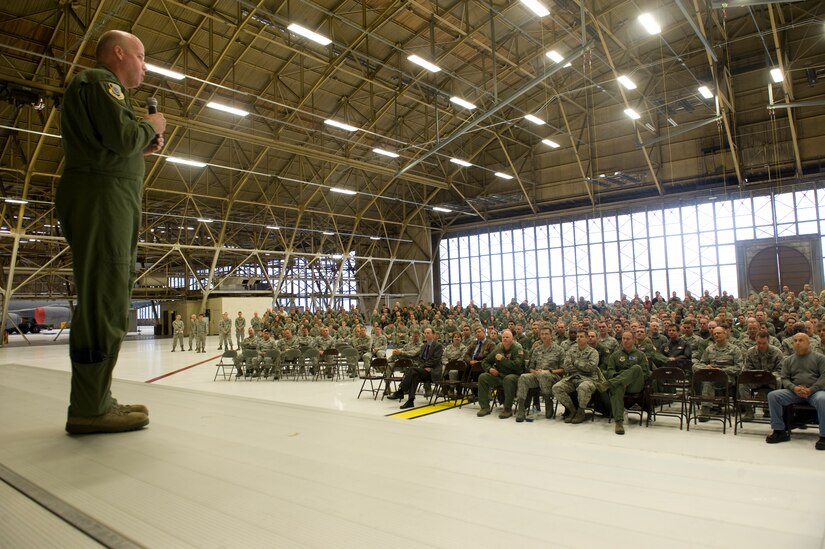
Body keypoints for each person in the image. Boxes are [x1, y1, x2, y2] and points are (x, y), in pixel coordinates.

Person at [57, 29, 165, 434]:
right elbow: (122, 137)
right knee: (106, 297)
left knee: (105, 294)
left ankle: (95, 397)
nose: (143, 65)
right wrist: (149, 123)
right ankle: (90, 406)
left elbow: (117, 143)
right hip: (104, 199)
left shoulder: (96, 89)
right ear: (119, 54)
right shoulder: (102, 82)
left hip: (104, 196)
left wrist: (140, 144)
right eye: (140, 56)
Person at [765, 333, 825, 450]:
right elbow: (784, 378)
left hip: (815, 392)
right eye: (795, 340)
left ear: (809, 343)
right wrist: (794, 388)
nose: (797, 343)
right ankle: (779, 430)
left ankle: (824, 435)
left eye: (801, 340)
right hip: (795, 392)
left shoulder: (820, 358)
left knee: (823, 399)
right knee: (773, 396)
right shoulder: (788, 360)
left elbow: (824, 377)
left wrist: (811, 389)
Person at [515, 326, 564, 422]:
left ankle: (548, 404)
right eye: (542, 334)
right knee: (523, 377)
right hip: (538, 376)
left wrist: (549, 371)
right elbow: (530, 367)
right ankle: (521, 409)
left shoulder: (559, 350)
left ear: (551, 335)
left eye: (546, 334)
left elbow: (563, 369)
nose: (544, 336)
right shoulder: (537, 350)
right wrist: (535, 372)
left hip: (553, 377)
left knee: (543, 375)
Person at [605, 331, 650, 435]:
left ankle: (610, 383)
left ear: (634, 340)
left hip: (636, 385)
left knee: (636, 368)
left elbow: (645, 373)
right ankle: (619, 422)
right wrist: (622, 379)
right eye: (623, 338)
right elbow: (610, 371)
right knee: (618, 387)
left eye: (628, 339)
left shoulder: (641, 355)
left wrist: (630, 379)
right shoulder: (615, 355)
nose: (625, 341)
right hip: (621, 385)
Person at [552, 330, 602, 424]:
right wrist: (580, 367)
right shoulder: (572, 350)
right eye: (578, 336)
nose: (578, 338)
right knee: (557, 387)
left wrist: (575, 362)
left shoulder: (593, 352)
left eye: (581, 336)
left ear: (587, 338)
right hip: (573, 377)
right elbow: (566, 366)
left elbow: (591, 367)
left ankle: (581, 412)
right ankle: (572, 410)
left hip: (589, 379)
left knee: (583, 387)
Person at [387, 328, 443, 409]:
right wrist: (423, 367)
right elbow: (420, 360)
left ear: (433, 335)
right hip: (424, 371)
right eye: (425, 333)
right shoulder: (424, 346)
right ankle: (410, 401)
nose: (426, 335)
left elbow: (435, 360)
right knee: (414, 376)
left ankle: (401, 391)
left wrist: (424, 367)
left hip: (433, 371)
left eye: (428, 333)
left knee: (412, 370)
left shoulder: (438, 346)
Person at [476, 329, 525, 419]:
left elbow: (518, 365)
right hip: (499, 376)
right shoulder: (498, 347)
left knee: (508, 379)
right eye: (503, 337)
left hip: (514, 376)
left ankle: (507, 409)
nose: (505, 339)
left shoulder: (517, 348)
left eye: (507, 337)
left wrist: (502, 359)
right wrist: (489, 369)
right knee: (483, 377)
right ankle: (485, 407)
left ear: (512, 339)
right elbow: (485, 362)